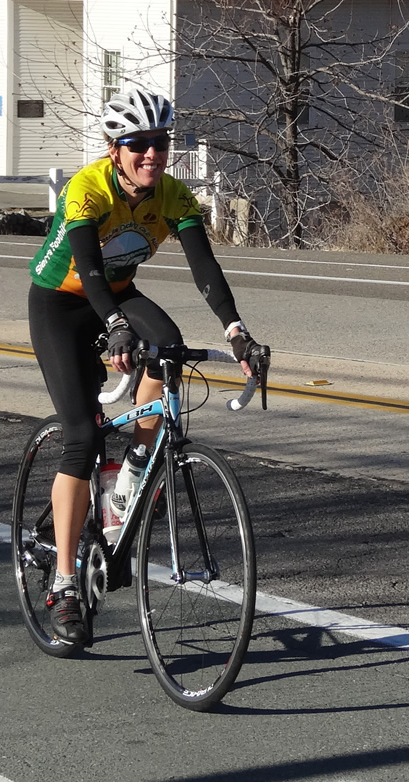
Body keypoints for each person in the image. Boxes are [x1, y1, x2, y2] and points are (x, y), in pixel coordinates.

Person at [27, 86, 263, 645]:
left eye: (160, 143)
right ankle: (64, 582)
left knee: (170, 345)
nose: (151, 154)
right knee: (82, 437)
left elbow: (205, 267)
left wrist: (237, 332)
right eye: (138, 144)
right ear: (115, 150)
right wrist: (114, 326)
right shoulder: (87, 188)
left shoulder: (174, 196)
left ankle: (134, 469)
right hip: (62, 302)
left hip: (119, 294)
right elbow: (88, 268)